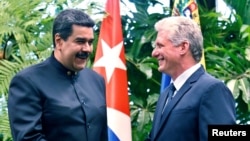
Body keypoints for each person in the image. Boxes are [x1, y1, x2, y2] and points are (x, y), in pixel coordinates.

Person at [8, 9, 108, 141]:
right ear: (59, 41)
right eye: (80, 41)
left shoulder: (96, 80)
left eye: (90, 42)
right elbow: (29, 138)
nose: (87, 49)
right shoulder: (27, 82)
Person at [145, 16, 236, 141]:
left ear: (183, 47)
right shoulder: (165, 94)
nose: (154, 53)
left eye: (160, 46)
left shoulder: (213, 89)